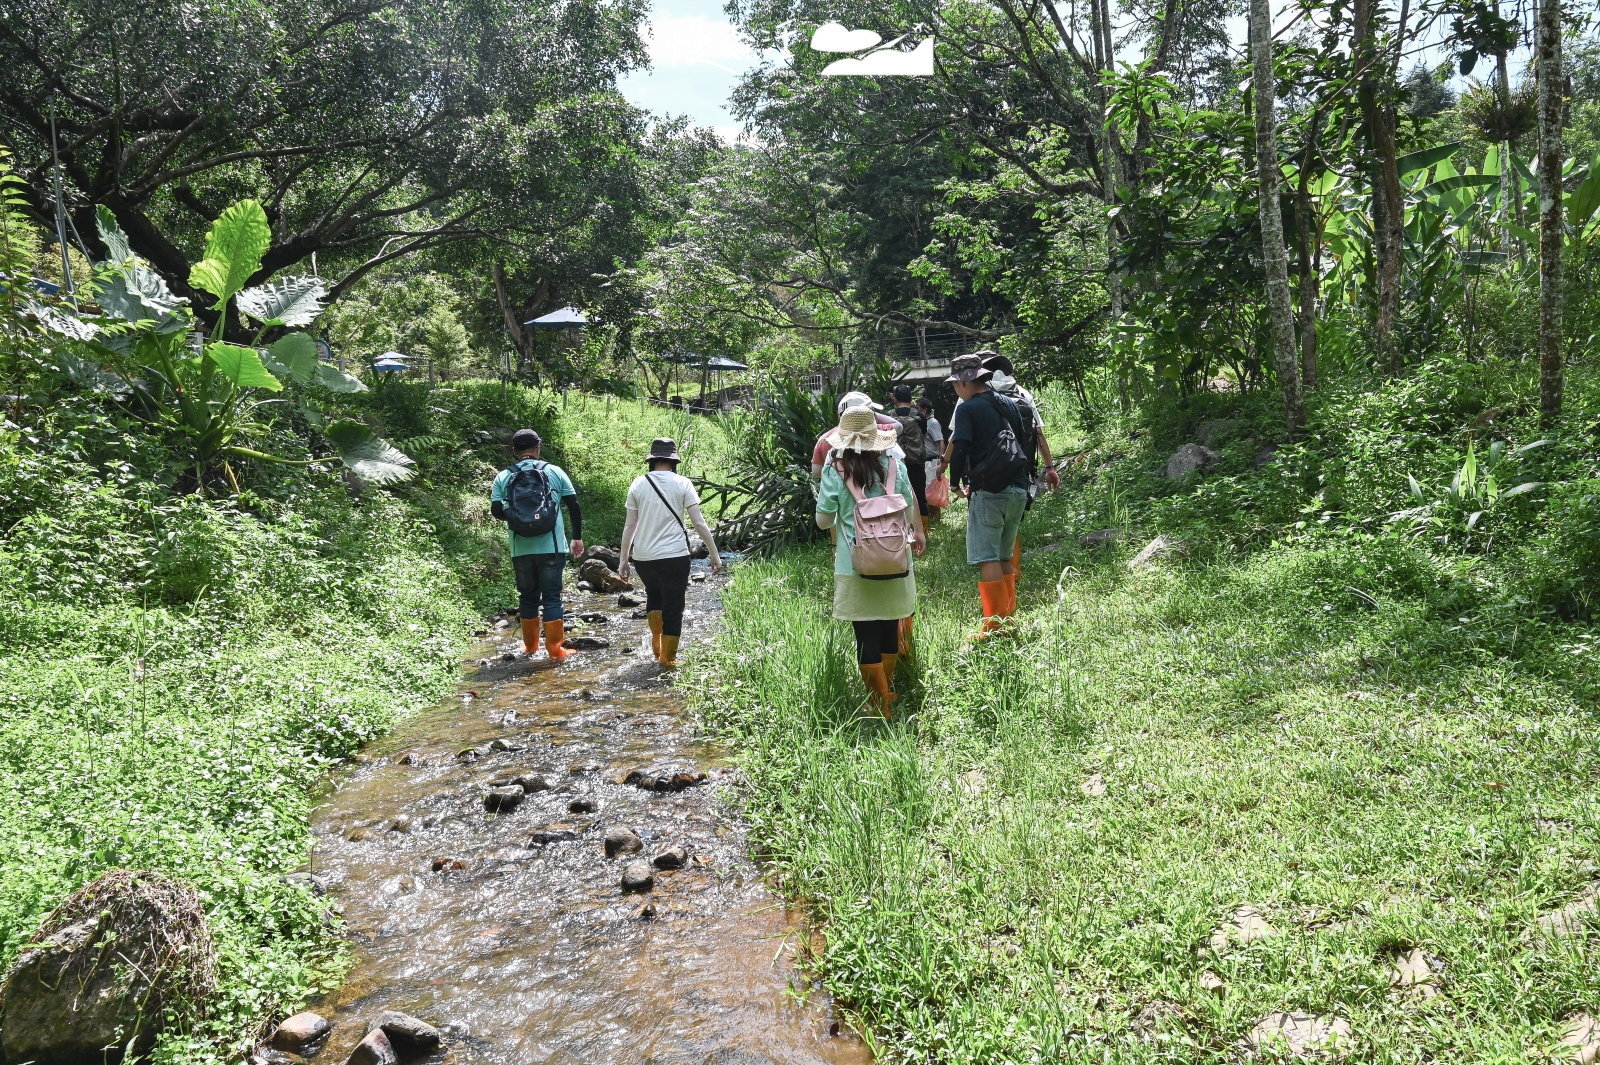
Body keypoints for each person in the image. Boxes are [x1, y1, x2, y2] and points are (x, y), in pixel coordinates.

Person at [815, 406, 926, 716]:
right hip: (895, 560)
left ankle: (876, 703)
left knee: (865, 633)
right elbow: (907, 508)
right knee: (890, 627)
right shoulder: (894, 466)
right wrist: (918, 531)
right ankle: (887, 692)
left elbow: (823, 521)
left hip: (855, 565)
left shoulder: (835, 470)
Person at [617, 438, 726, 669]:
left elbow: (630, 526)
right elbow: (699, 523)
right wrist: (715, 555)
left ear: (653, 460)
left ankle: (656, 648)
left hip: (644, 557)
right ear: (673, 461)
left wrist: (623, 560)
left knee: (654, 596)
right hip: (675, 556)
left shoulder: (638, 483)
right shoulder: (683, 483)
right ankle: (668, 659)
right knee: (674, 607)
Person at [944, 353, 1029, 638]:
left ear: (966, 382)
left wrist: (954, 482)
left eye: (956, 384)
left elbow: (962, 446)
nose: (956, 389)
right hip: (1018, 487)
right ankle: (1009, 621)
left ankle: (994, 626)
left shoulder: (967, 409)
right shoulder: (1010, 403)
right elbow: (1022, 442)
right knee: (1005, 556)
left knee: (988, 558)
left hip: (989, 491)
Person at [490, 429, 584, 661]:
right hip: (551, 546)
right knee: (552, 596)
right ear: (538, 449)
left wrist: (519, 519)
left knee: (527, 596)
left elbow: (495, 511)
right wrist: (577, 538)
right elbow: (573, 505)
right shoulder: (554, 471)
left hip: (520, 548)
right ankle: (555, 650)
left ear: (514, 451)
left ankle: (530, 647)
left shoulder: (503, 476)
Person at [979, 353, 1061, 589]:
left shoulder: (974, 392)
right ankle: (1012, 573)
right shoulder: (1022, 393)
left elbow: (958, 437)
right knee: (1012, 522)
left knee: (988, 529)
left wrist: (946, 466)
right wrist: (1050, 468)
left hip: (985, 472)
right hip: (1020, 468)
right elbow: (1038, 433)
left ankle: (996, 589)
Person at [811, 391, 903, 479]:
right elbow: (899, 426)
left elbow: (816, 472)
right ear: (872, 415)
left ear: (839, 417)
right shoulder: (883, 436)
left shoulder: (827, 439)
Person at [886, 383, 934, 535]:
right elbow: (924, 436)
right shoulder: (919, 416)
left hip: (895, 463)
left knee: (895, 495)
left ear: (896, 398)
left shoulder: (889, 416)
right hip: (916, 462)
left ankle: (899, 531)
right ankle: (923, 532)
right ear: (910, 398)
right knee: (920, 496)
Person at [917, 397, 945, 525]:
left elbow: (940, 441)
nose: (917, 411)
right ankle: (930, 517)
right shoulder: (923, 422)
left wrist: (941, 459)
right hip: (924, 461)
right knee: (926, 490)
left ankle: (936, 518)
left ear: (925, 409)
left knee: (931, 491)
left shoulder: (932, 423)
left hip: (932, 461)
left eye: (918, 409)